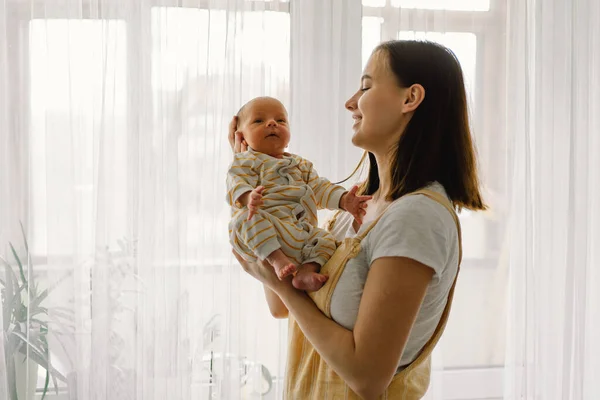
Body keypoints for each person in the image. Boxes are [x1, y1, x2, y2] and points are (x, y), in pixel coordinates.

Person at [228, 40, 486, 399]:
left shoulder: (416, 216)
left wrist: (284, 285)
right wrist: (259, 175)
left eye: (365, 86)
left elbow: (367, 378)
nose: (351, 102)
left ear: (410, 99)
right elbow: (281, 307)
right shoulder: (358, 205)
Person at [227, 96, 372, 291]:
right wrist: (247, 197)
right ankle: (276, 258)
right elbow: (235, 182)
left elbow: (319, 188)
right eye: (259, 121)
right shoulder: (245, 161)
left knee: (327, 240)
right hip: (265, 228)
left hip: (299, 234)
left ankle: (306, 271)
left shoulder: (300, 165)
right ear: (242, 137)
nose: (272, 123)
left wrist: (345, 200)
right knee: (243, 220)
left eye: (280, 121)